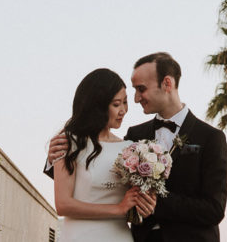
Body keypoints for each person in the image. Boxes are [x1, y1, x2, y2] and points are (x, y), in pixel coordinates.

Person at [48, 53, 227, 242]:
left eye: (141, 89)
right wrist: (56, 158)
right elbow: (98, 172)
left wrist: (155, 202)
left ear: (167, 84)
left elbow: (214, 209)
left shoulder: (211, 137)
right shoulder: (134, 136)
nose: (135, 99)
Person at [53, 68, 155, 242]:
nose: (123, 110)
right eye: (116, 104)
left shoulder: (131, 149)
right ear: (97, 106)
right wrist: (118, 209)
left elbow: (138, 202)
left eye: (125, 102)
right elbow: (63, 205)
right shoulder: (69, 143)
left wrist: (147, 204)